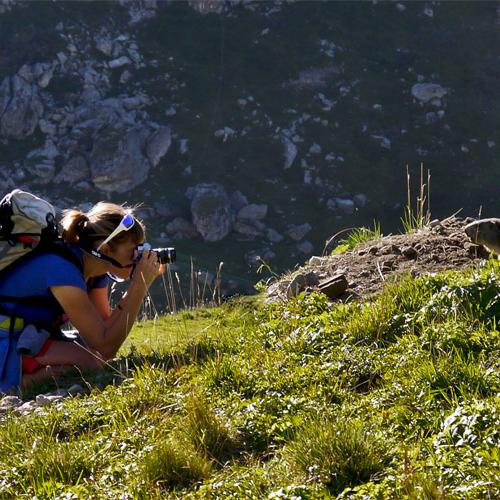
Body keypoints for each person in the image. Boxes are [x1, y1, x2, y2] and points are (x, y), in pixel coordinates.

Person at [0, 201, 165, 390]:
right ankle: (20, 382)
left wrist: (139, 283)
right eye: (133, 250)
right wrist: (139, 285)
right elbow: (105, 345)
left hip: (33, 336)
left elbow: (105, 336)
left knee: (96, 357)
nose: (138, 257)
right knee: (93, 363)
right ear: (105, 250)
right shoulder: (62, 269)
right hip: (9, 341)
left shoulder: (94, 270)